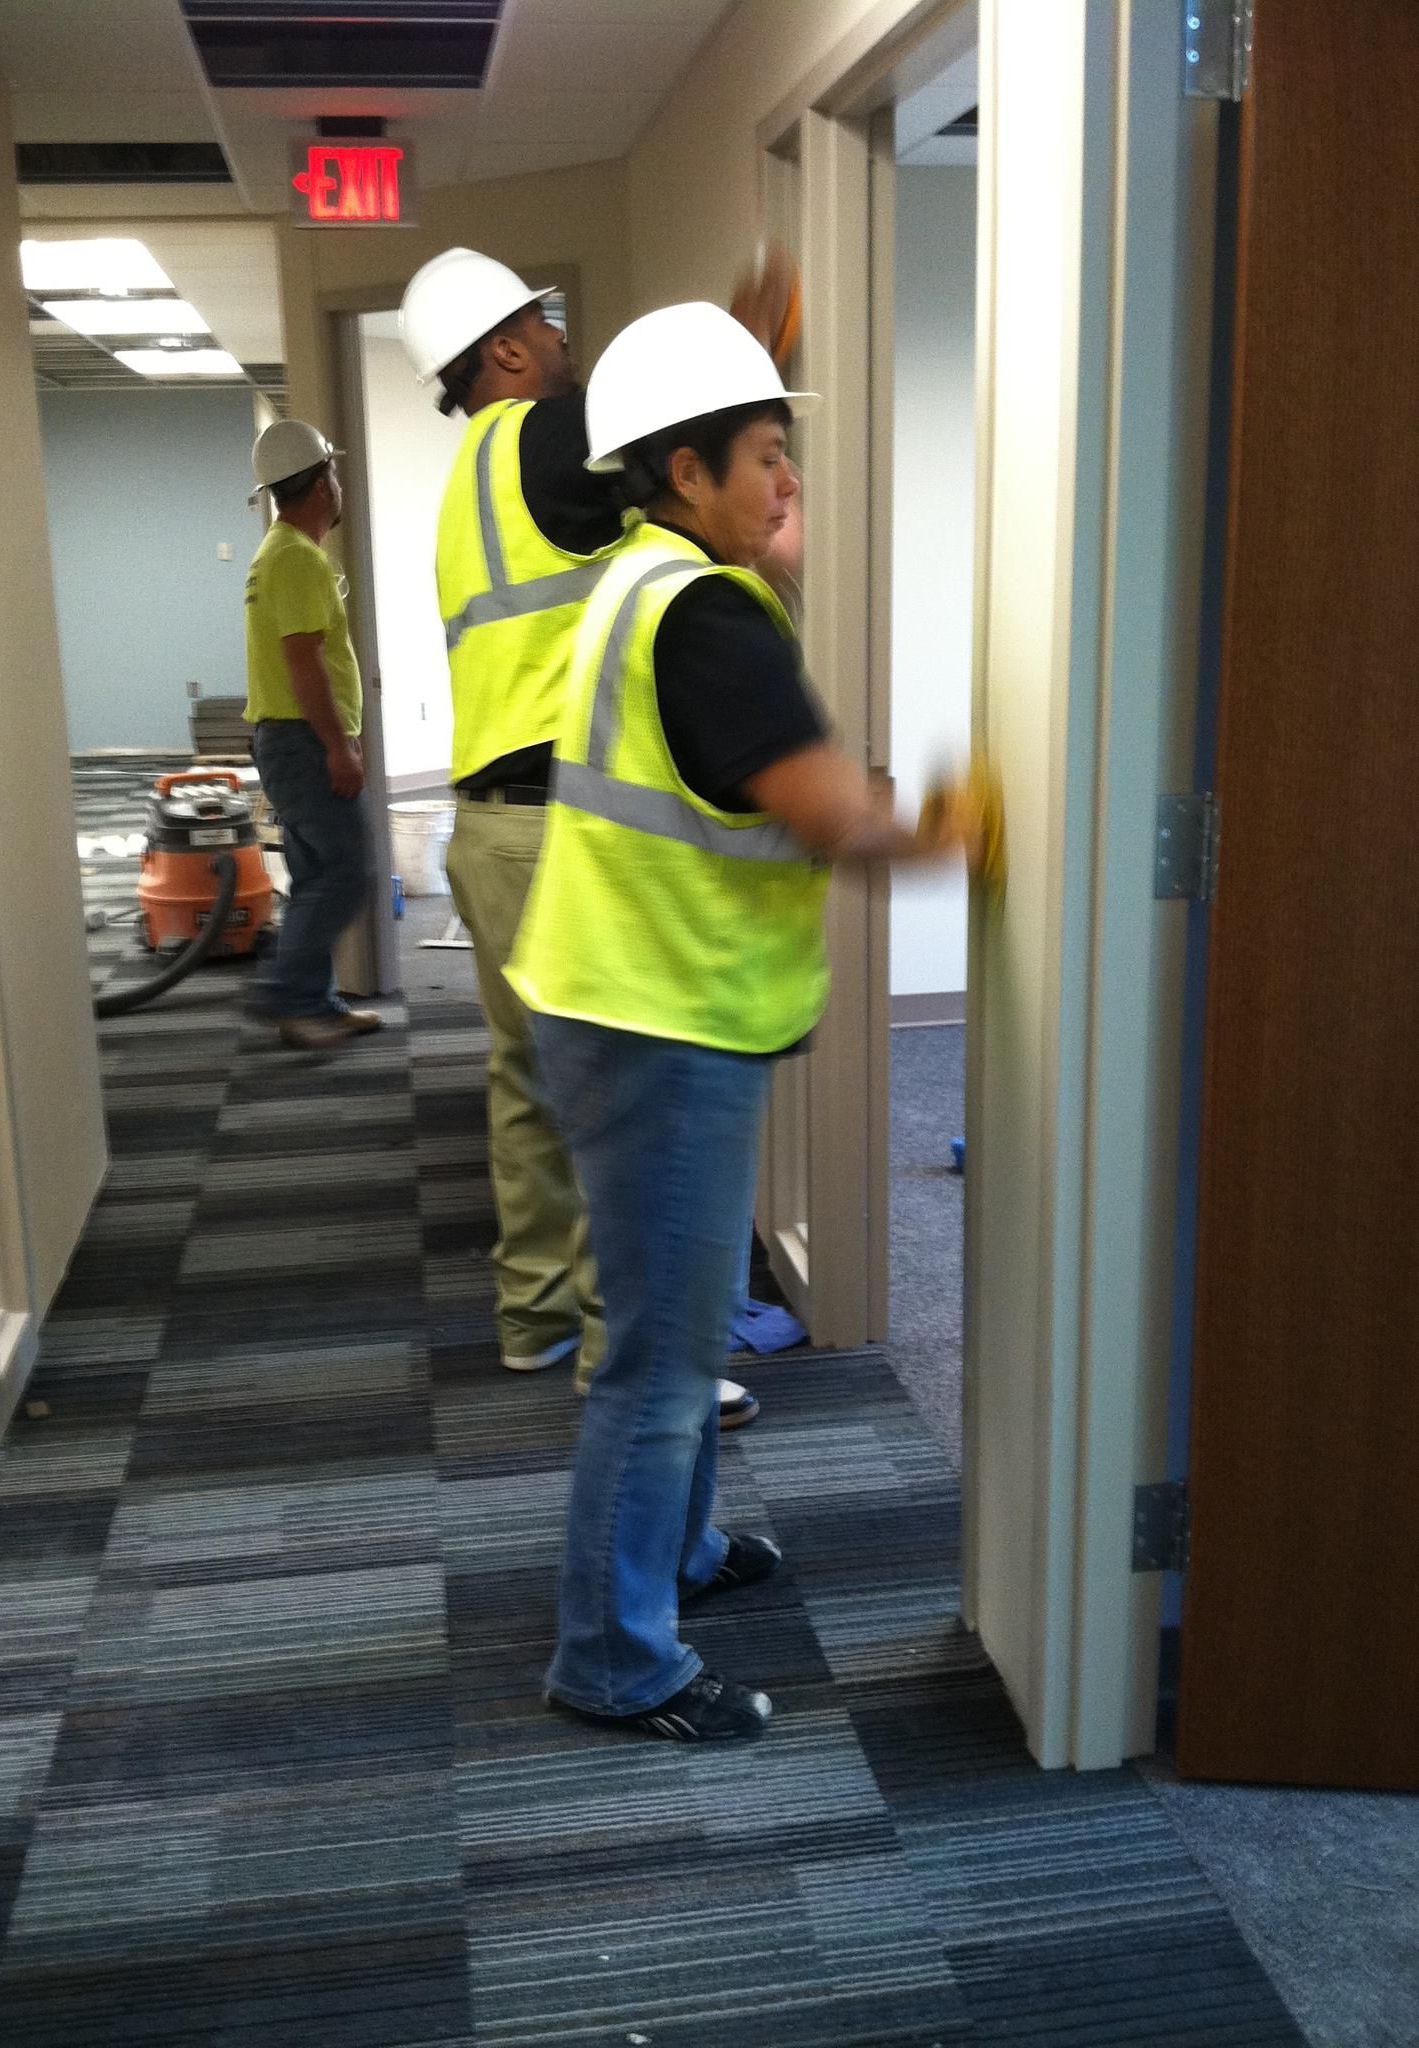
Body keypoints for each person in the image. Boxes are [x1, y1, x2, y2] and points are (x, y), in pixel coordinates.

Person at [505, 303, 988, 1743]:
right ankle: (611, 1655)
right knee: (658, 1367)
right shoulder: (707, 617)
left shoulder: (644, 582)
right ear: (684, 471)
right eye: (764, 457)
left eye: (787, 454)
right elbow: (829, 813)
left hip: (631, 1002)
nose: (787, 482)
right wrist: (963, 823)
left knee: (684, 1322)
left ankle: (684, 1560)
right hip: (656, 1022)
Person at [398, 249, 767, 1422]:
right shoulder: (539, 436)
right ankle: (636, 1354)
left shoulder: (461, 480)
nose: (561, 341)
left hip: (483, 830)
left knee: (525, 1082)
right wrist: (747, 332)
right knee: (621, 1096)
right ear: (506, 352)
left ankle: (532, 1315)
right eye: (543, 323)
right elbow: (670, 438)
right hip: (563, 833)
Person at [243, 419, 381, 1052]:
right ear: (322, 483)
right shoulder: (296, 557)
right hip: (301, 743)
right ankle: (289, 997)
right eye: (334, 471)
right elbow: (304, 663)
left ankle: (316, 1004)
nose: (338, 482)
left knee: (313, 872)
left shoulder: (280, 553)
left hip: (285, 741)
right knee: (347, 872)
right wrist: (337, 746)